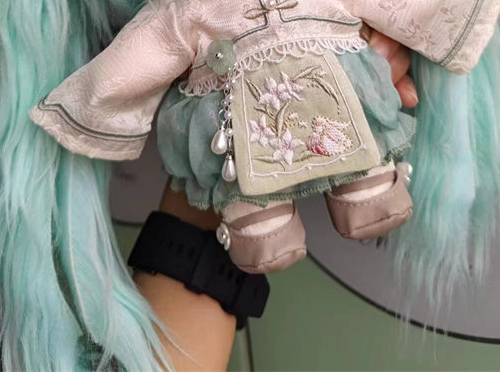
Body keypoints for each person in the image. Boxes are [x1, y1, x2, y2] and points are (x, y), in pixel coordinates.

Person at [135, 30, 416, 371]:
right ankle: (266, 211)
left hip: (291, 50)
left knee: (352, 88)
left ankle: (356, 178)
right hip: (234, 93)